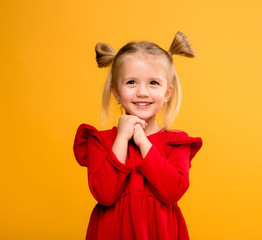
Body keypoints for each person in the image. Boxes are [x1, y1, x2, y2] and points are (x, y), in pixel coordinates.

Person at [73, 31, 203, 240]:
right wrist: (122, 138)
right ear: (116, 91)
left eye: (153, 83)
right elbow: (105, 195)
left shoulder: (176, 144)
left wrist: (142, 142)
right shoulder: (100, 141)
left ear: (167, 93)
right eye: (132, 82)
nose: (142, 92)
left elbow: (172, 192)